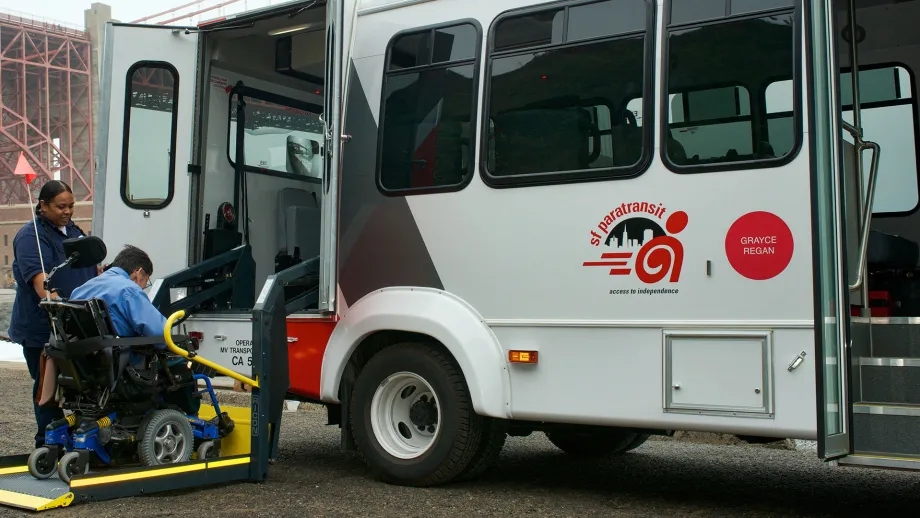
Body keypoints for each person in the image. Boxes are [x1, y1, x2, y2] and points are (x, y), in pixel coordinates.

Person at [8, 180, 98, 449]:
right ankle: (48, 444)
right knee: (48, 390)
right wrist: (59, 302)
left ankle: (84, 439)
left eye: (71, 205)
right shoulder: (30, 237)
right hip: (41, 329)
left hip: (77, 325)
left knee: (85, 388)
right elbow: (41, 283)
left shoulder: (73, 231)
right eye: (61, 207)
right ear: (43, 205)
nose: (68, 211)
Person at [69, 245, 201, 415]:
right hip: (126, 371)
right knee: (185, 366)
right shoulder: (129, 290)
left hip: (87, 370)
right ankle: (187, 420)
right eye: (146, 279)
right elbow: (160, 334)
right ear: (138, 272)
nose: (144, 285)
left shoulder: (81, 289)